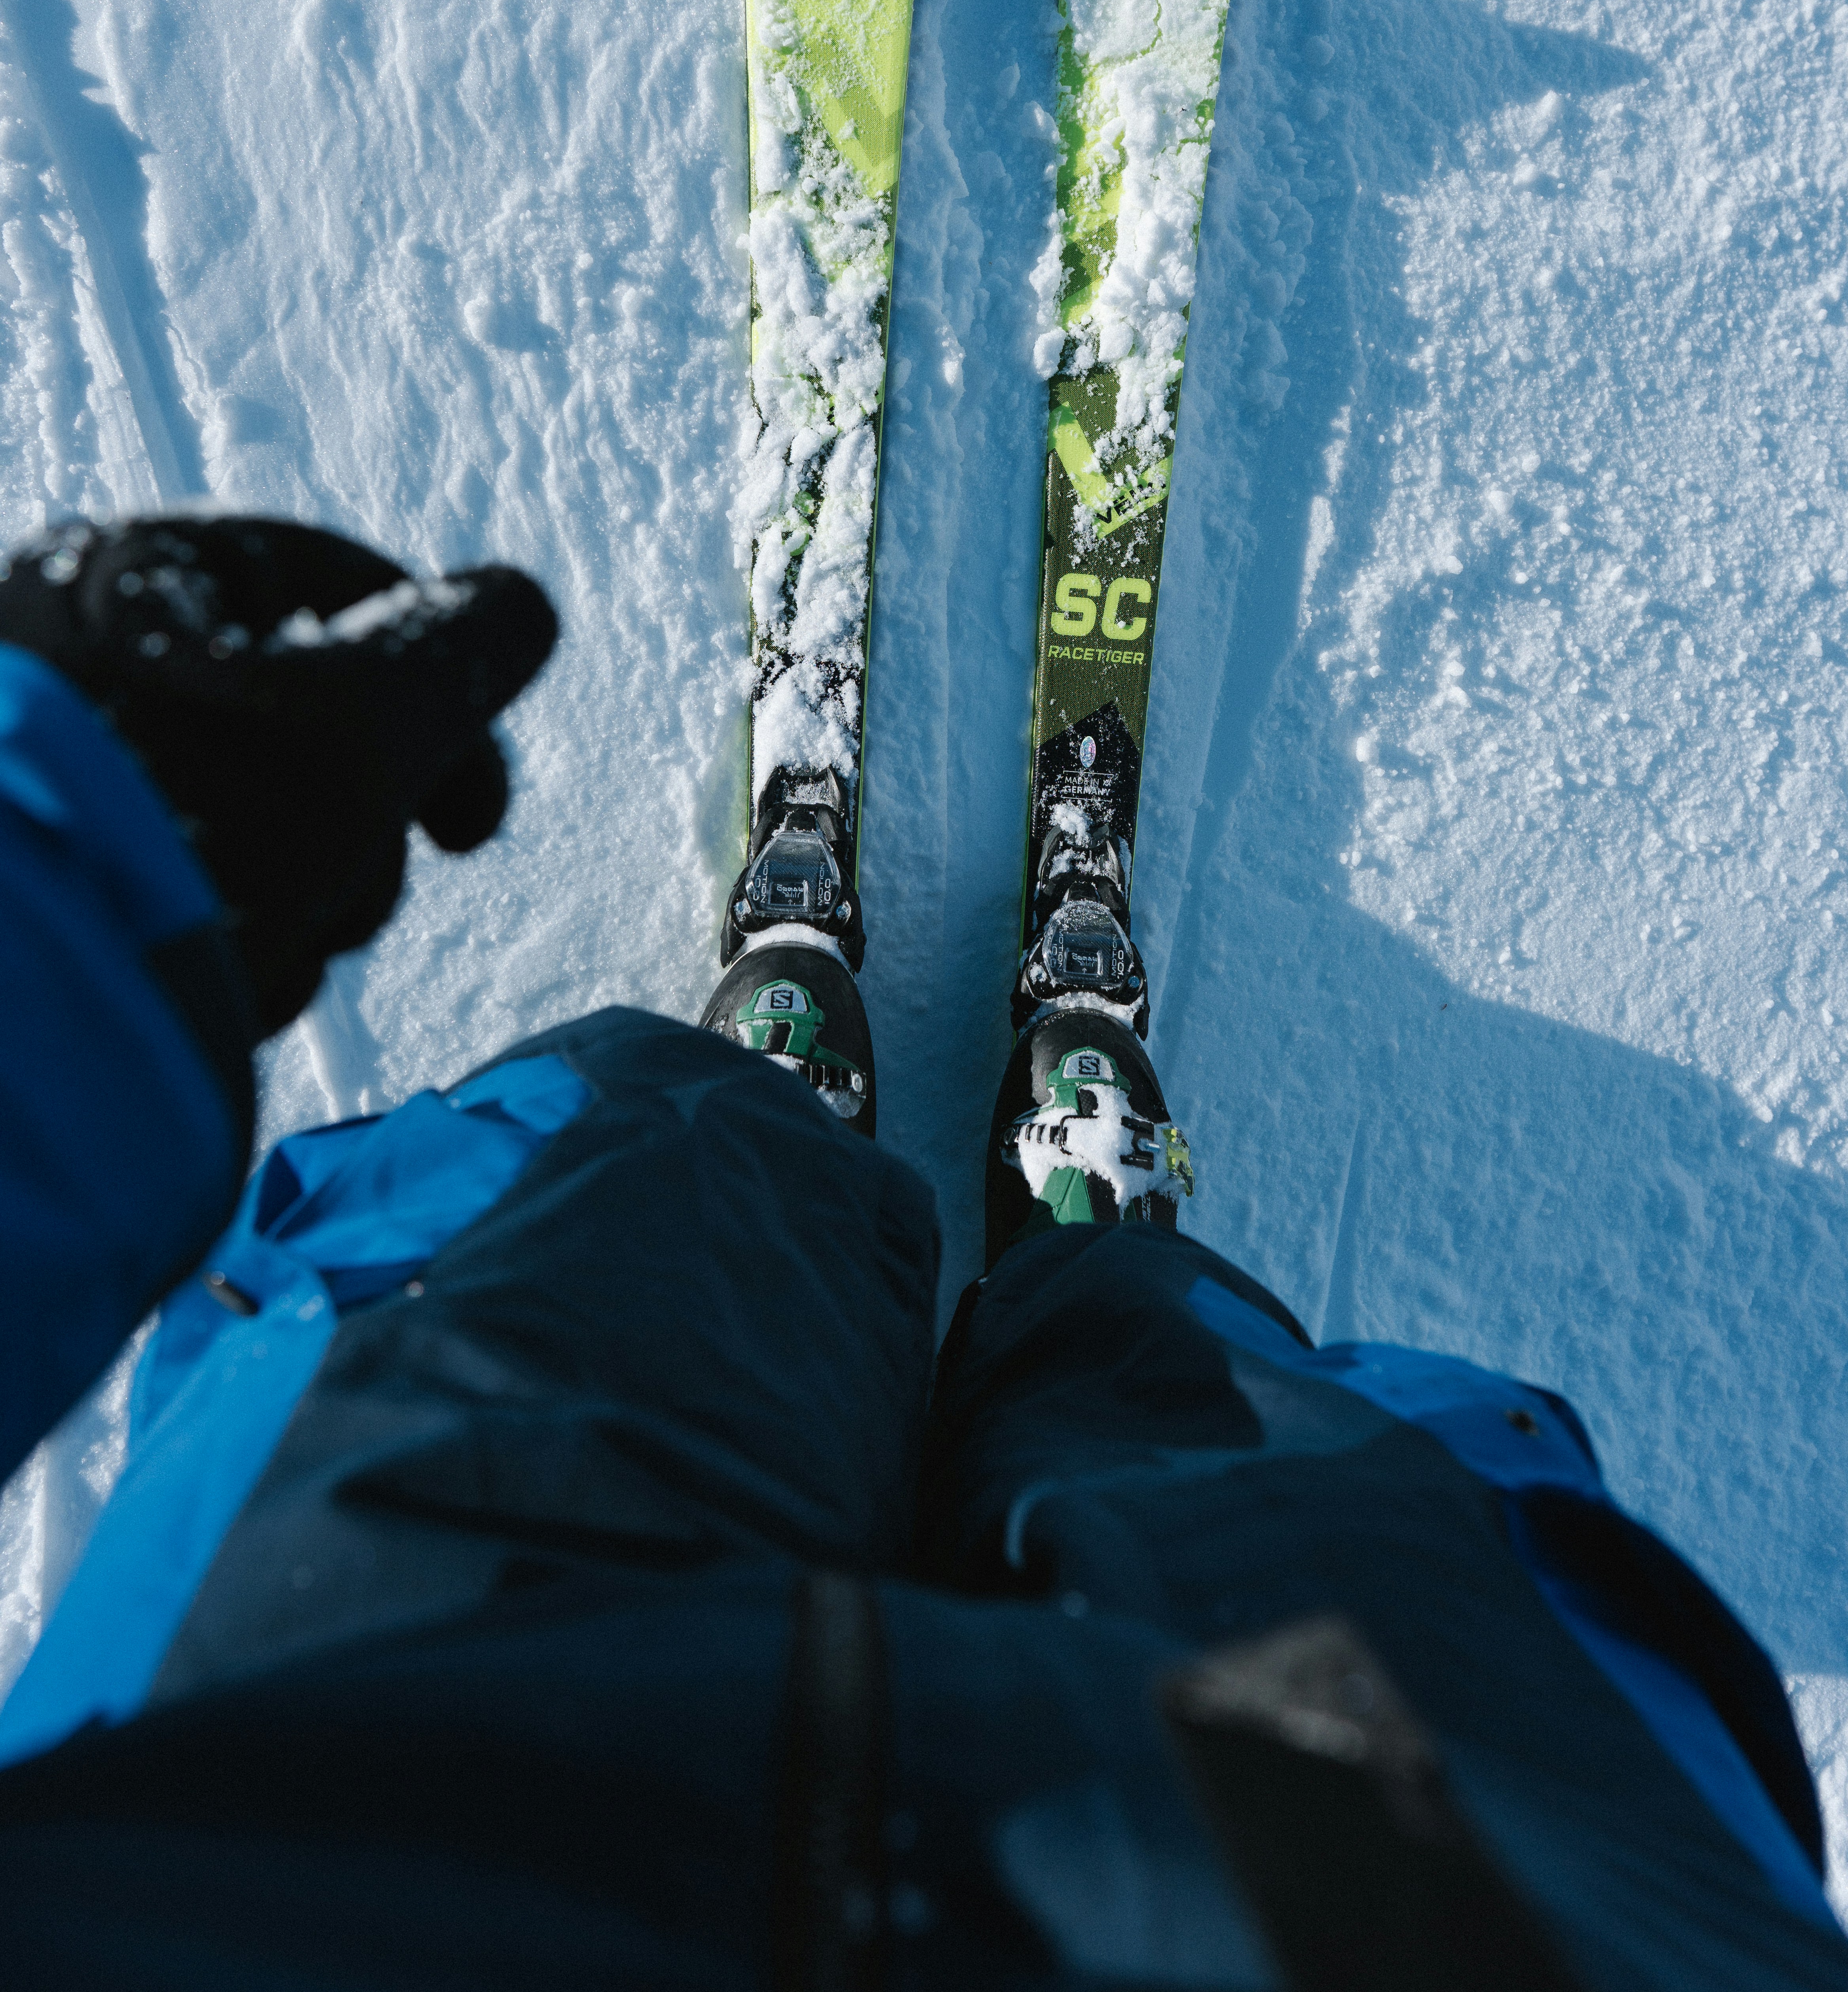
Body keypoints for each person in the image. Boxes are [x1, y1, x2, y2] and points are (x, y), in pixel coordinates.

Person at [0, 510, 1840, 1992]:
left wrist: (64, 868)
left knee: (608, 1242)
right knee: (1246, 1462)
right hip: (1457, 1905)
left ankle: (766, 1124)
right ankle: (1086, 1246)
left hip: (316, 1786)